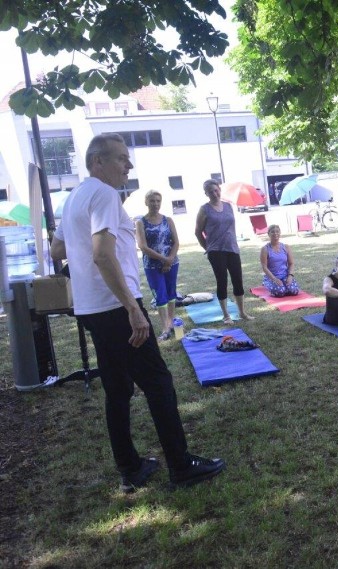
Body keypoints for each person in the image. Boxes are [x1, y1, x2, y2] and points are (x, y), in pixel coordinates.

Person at [50, 133, 225, 492]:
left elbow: (56, 249)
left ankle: (130, 466)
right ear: (97, 161)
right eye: (121, 158)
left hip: (93, 309)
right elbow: (101, 253)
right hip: (116, 307)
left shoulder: (74, 198)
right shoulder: (102, 194)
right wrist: (132, 307)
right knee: (159, 383)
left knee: (117, 389)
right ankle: (181, 464)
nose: (128, 165)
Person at [195, 179, 253, 324]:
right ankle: (226, 315)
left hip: (232, 248)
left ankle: (242, 312)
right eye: (211, 192)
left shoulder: (228, 206)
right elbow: (198, 232)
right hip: (216, 251)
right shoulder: (204, 209)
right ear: (206, 194)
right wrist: (207, 248)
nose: (215, 194)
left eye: (216, 190)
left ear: (219, 189)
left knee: (238, 281)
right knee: (222, 281)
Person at [135, 190, 180, 340]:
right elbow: (143, 246)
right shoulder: (141, 222)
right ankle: (165, 328)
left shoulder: (168, 220)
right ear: (146, 202)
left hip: (172, 263)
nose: (155, 204)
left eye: (158, 201)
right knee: (160, 295)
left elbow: (176, 242)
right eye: (152, 201)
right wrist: (163, 259)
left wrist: (170, 259)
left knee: (171, 293)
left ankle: (171, 322)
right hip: (153, 266)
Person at [260, 224, 300, 297]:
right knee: (280, 292)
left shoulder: (286, 247)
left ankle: (284, 287)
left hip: (285, 275)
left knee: (294, 291)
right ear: (268, 234)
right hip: (272, 277)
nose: (275, 233)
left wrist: (290, 276)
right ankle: (267, 283)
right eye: (272, 232)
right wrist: (274, 279)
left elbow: (291, 263)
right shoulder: (265, 249)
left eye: (277, 231)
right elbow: (264, 267)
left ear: (280, 233)